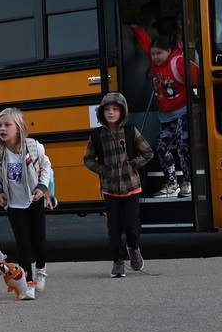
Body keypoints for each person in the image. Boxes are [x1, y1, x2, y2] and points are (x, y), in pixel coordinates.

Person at [83, 92, 154, 277]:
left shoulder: (130, 131)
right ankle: (117, 261)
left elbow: (148, 152)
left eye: (115, 109)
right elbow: (88, 159)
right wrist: (103, 170)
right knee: (113, 228)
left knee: (131, 225)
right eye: (107, 109)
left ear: (122, 112)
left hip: (131, 186)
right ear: (102, 112)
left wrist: (132, 165)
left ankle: (134, 249)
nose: (111, 112)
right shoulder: (97, 135)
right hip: (110, 189)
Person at [0, 107, 52, 299]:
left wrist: (42, 187)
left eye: (7, 125)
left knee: (39, 242)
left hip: (34, 200)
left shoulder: (33, 147)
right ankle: (28, 283)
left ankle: (41, 270)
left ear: (18, 128)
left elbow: (46, 166)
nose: (2, 128)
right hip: (14, 204)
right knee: (23, 244)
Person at [149, 35, 194, 198]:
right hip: (167, 113)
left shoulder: (179, 62)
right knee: (161, 146)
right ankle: (171, 183)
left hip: (183, 109)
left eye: (159, 53)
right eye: (152, 54)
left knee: (183, 142)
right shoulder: (155, 65)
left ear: (169, 51)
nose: (155, 57)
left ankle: (188, 181)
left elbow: (197, 76)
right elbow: (145, 41)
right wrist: (136, 28)